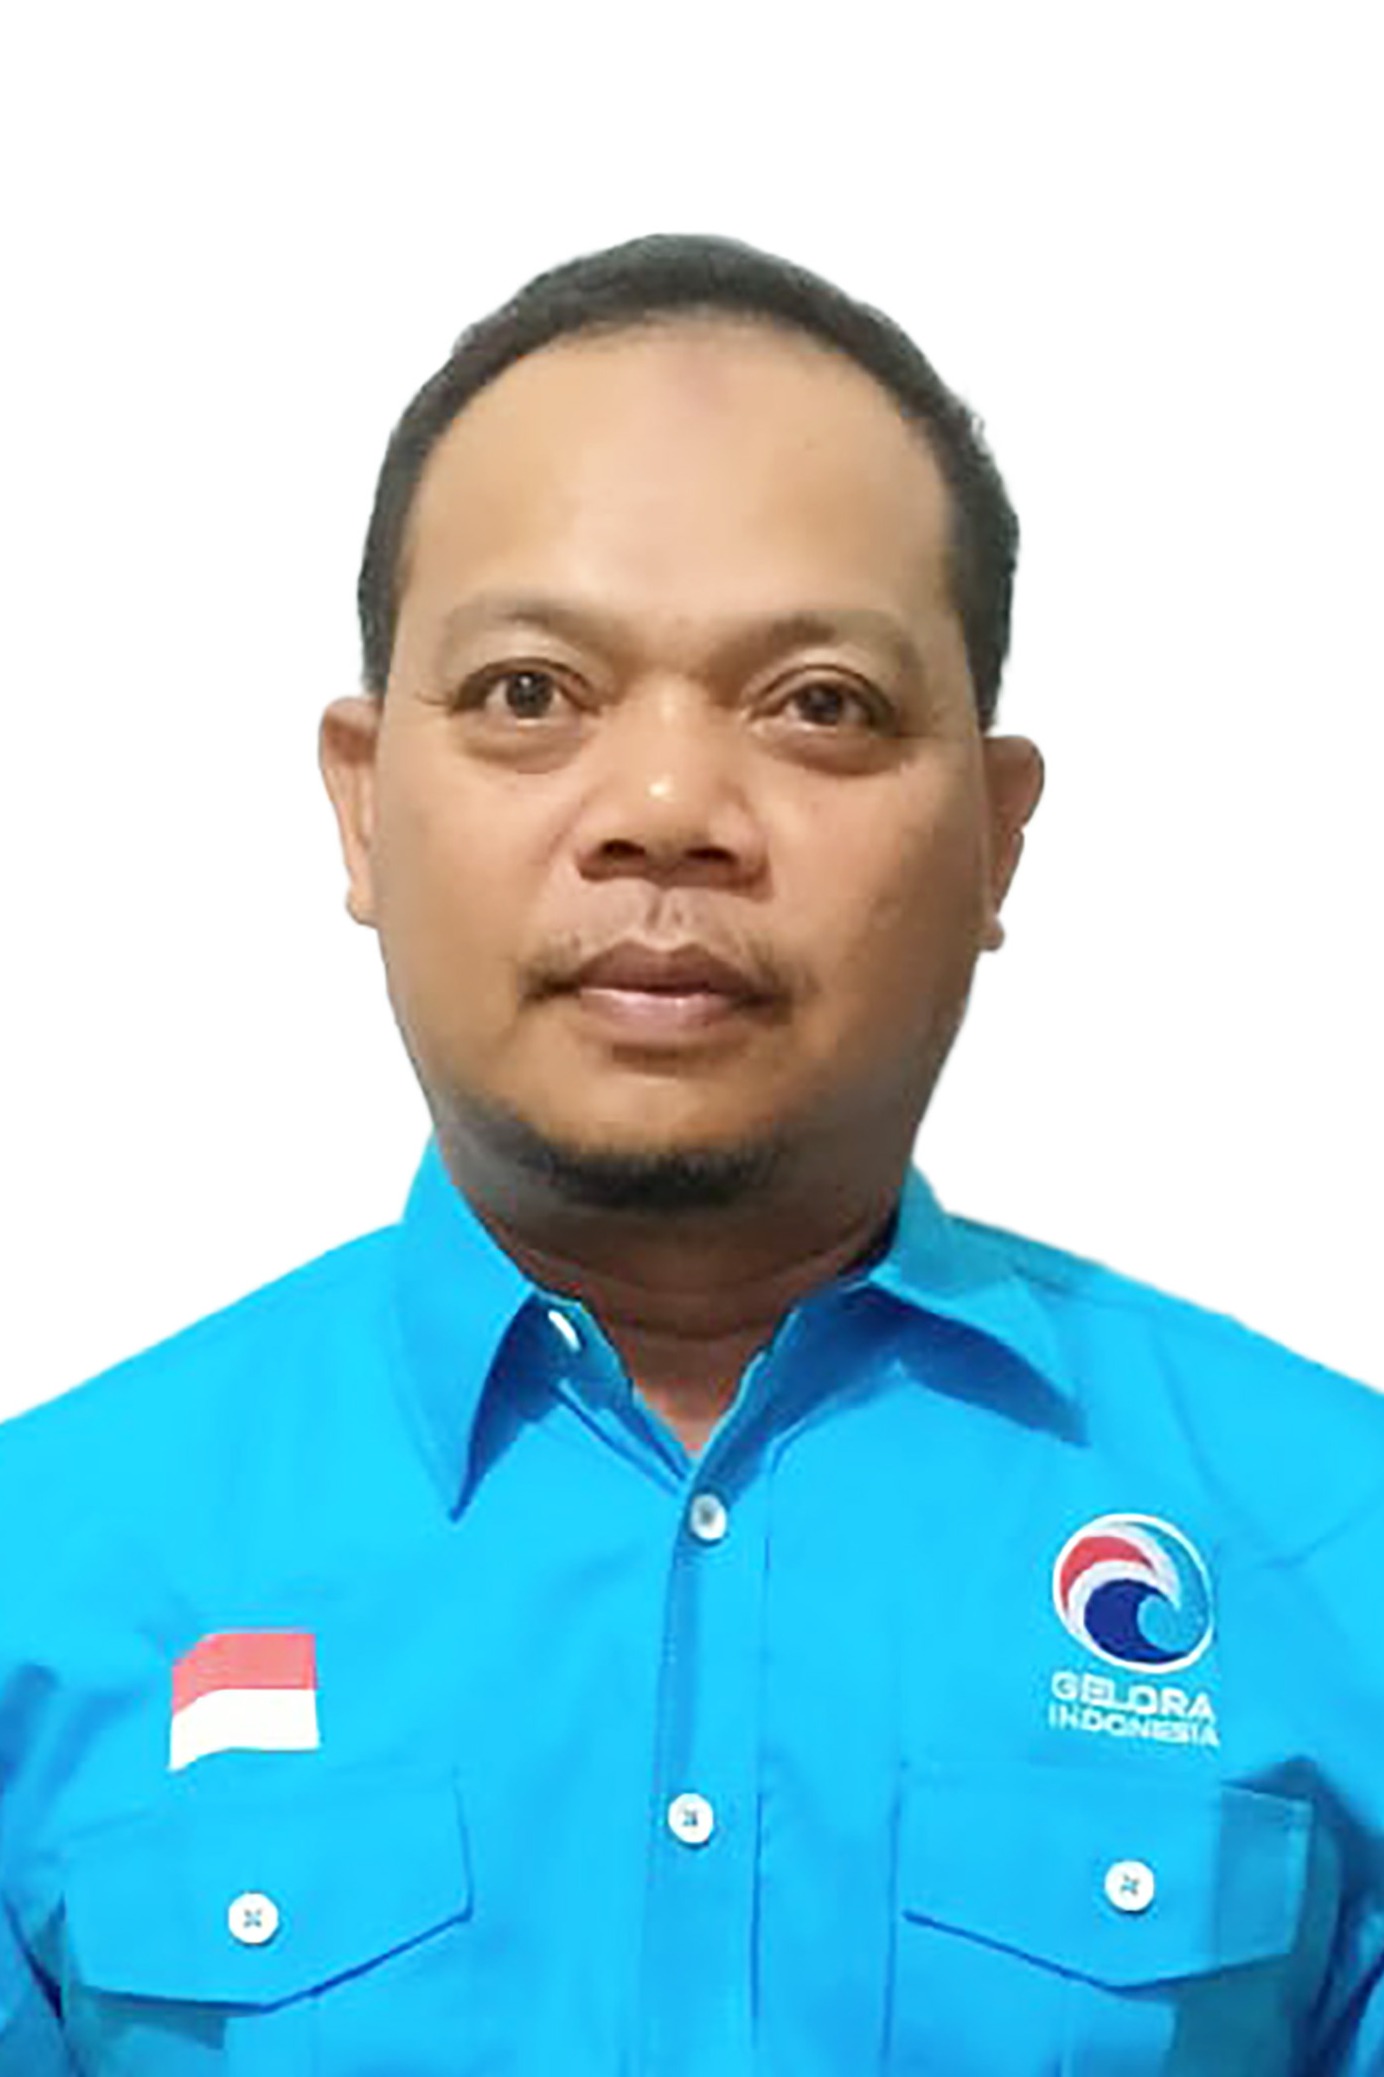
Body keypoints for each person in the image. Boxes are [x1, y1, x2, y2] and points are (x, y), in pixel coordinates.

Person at [1, 231, 1380, 2077]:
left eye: (819, 703)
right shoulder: (48, 1574)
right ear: (361, 801)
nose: (665, 810)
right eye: (529, 693)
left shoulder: (1335, 1544)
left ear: (996, 836)